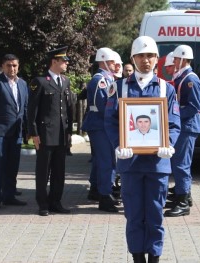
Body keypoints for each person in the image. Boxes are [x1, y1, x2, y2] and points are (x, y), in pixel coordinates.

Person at [104, 36, 181, 263]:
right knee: (134, 214)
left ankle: (155, 257)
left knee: (155, 214)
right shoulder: (119, 87)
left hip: (158, 163)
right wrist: (118, 145)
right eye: (140, 55)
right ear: (133, 58)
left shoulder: (167, 88)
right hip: (131, 163)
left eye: (150, 56)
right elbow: (110, 121)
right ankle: (137, 256)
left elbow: (174, 123)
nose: (145, 60)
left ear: (157, 59)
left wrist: (169, 145)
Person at [27, 46, 73, 216]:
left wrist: (69, 132)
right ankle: (43, 203)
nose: (66, 63)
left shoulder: (65, 81)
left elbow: (68, 109)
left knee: (59, 171)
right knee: (43, 171)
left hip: (61, 134)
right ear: (54, 61)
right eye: (64, 60)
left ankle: (56, 201)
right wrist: (34, 133)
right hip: (45, 134)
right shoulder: (40, 81)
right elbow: (32, 110)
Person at [0, 54, 28, 210]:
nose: (12, 68)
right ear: (3, 66)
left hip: (16, 132)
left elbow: (25, 108)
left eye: (15, 65)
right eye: (9, 65)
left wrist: (27, 130)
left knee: (12, 165)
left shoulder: (22, 84)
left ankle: (9, 196)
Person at [163, 45, 200, 217]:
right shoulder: (183, 77)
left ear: (183, 60)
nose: (174, 62)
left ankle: (183, 202)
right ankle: (184, 195)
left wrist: (174, 117)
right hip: (184, 126)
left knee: (181, 165)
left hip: (187, 127)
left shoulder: (190, 79)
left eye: (176, 59)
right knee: (180, 164)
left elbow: (195, 106)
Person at [81, 47, 119, 212]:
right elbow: (104, 105)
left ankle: (100, 190)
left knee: (102, 160)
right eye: (111, 61)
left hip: (101, 125)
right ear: (103, 61)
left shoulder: (106, 78)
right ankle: (105, 195)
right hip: (100, 125)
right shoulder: (101, 80)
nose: (114, 64)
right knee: (106, 161)